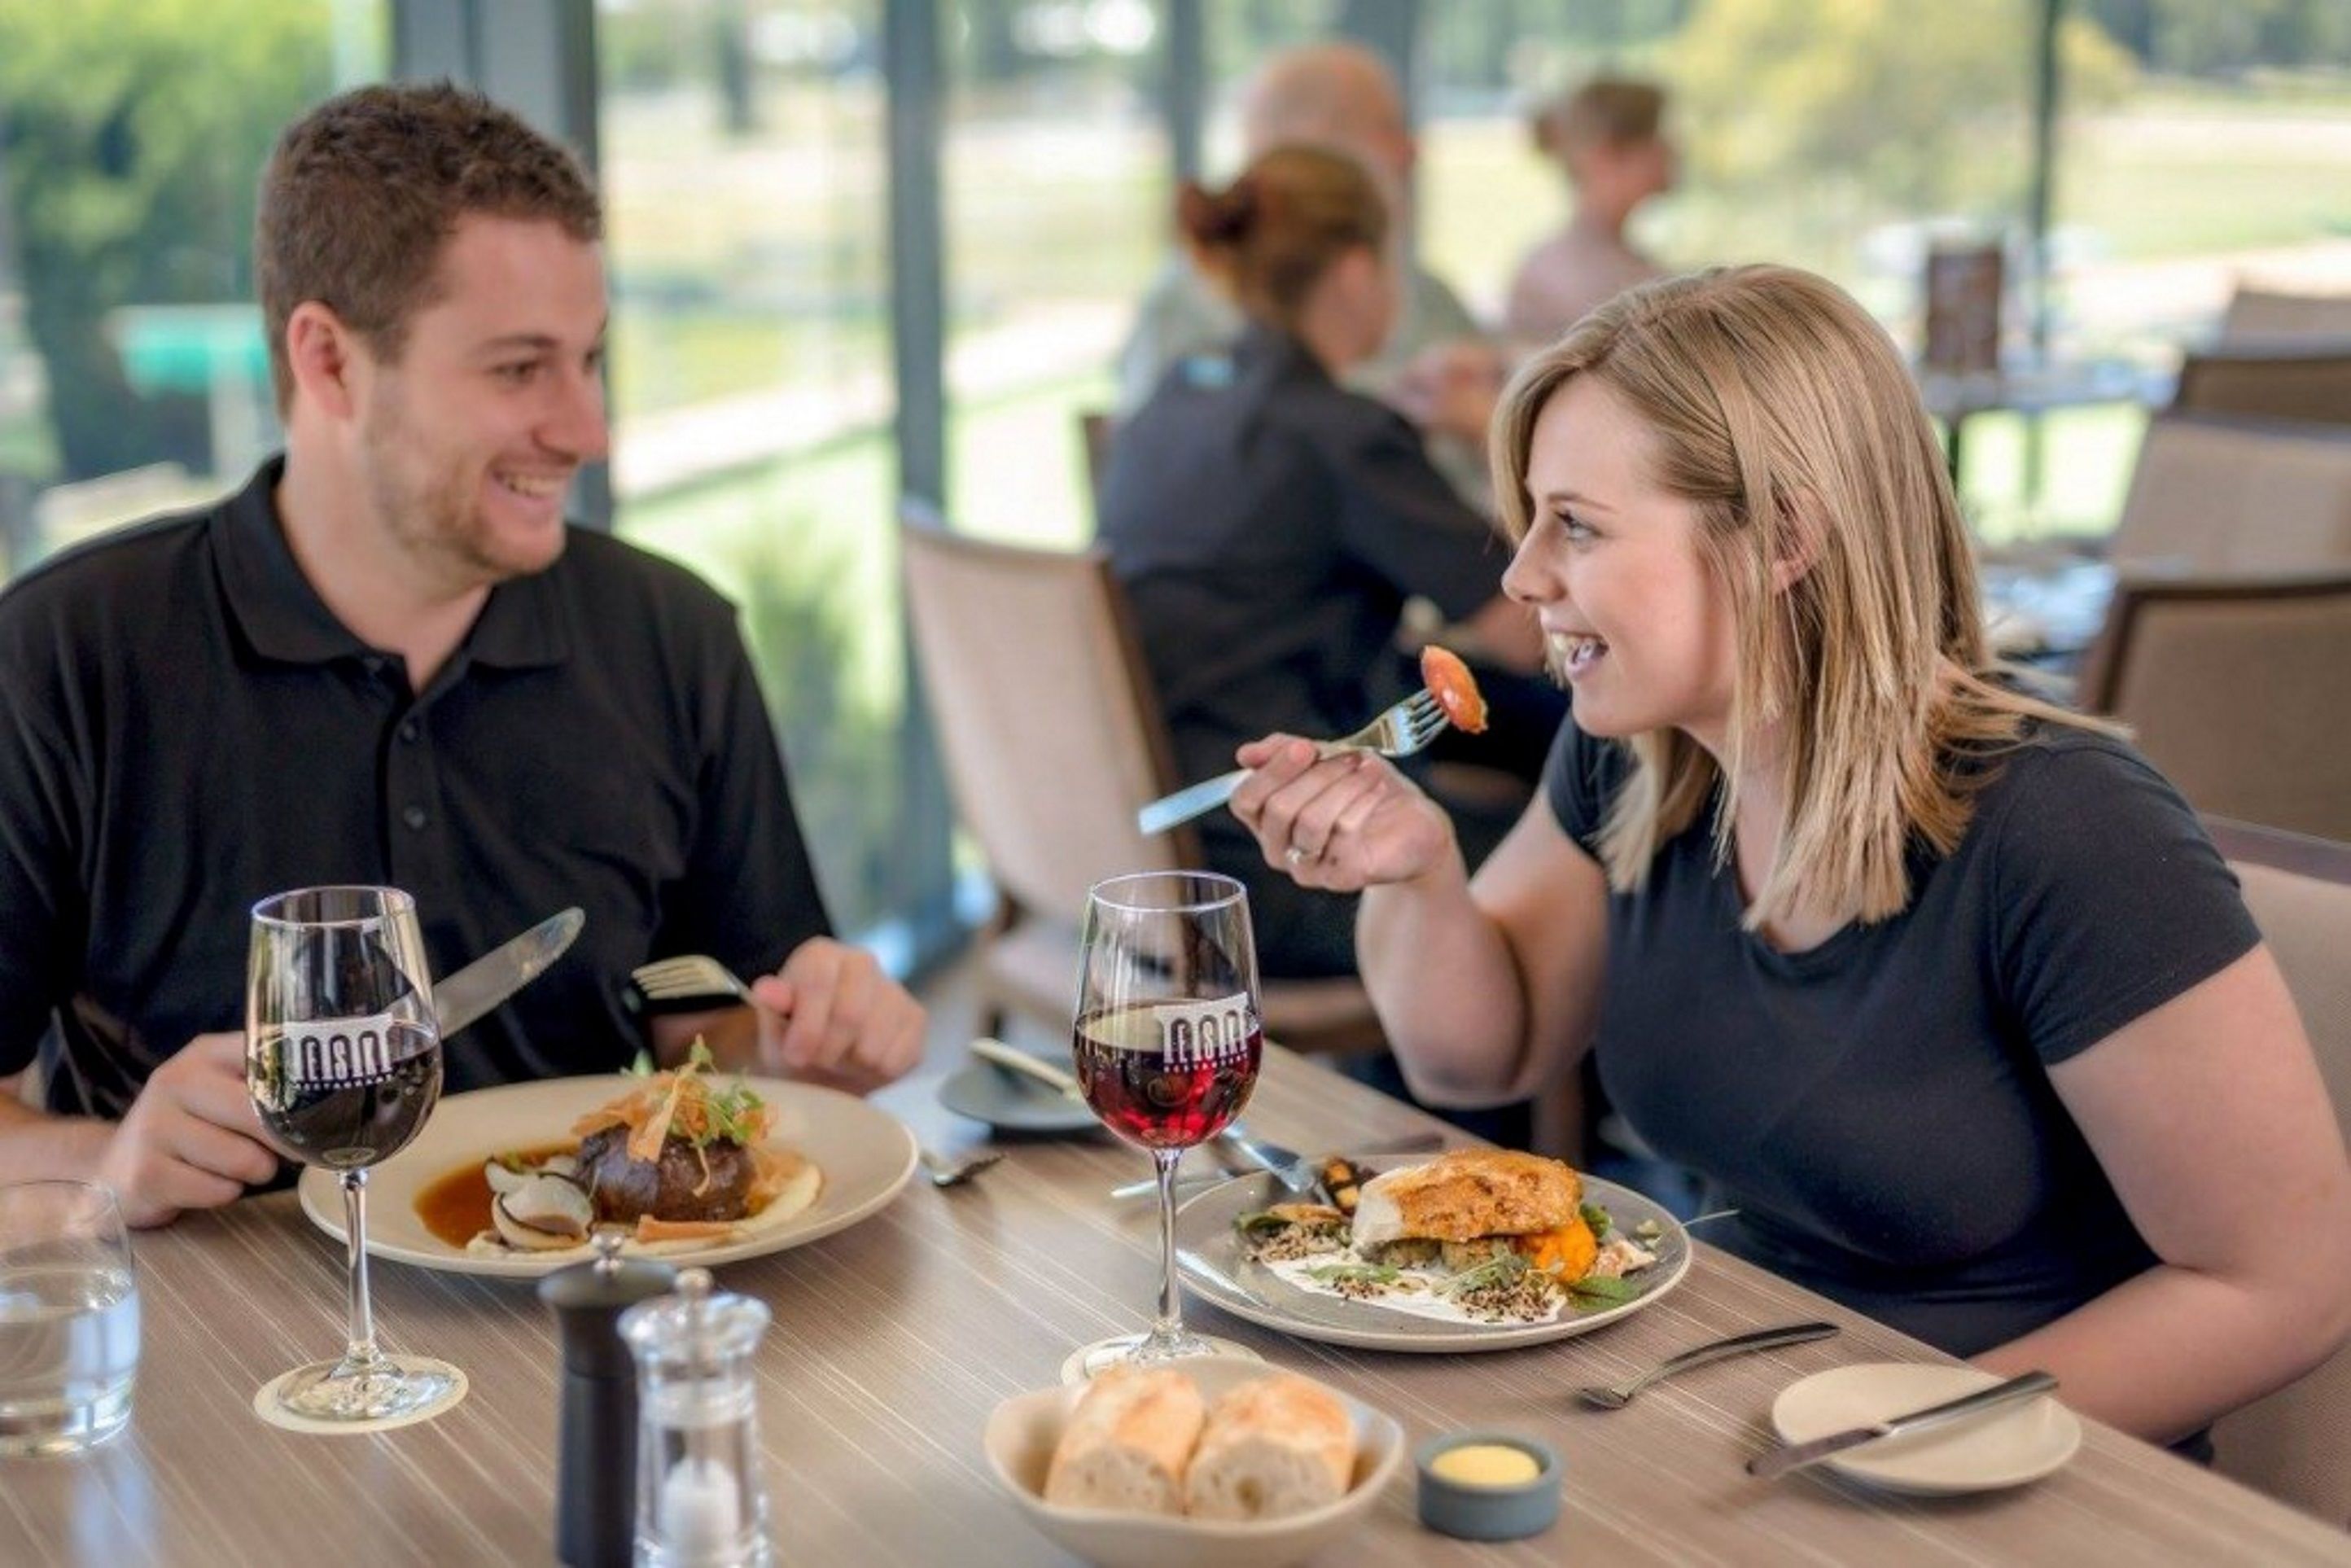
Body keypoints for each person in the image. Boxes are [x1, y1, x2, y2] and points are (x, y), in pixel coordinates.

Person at [1228, 265, 2351, 1448]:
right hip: (1734, 1393)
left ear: (1784, 538)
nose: (1520, 579)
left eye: (1577, 526)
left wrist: (1889, 1435)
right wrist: (1418, 871)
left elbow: (2286, 1284)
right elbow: (1480, 1053)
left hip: (1995, 1468)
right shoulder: (1643, 763)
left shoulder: (2071, 833)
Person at [0, 84, 925, 1229]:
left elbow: (700, 1009)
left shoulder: (671, 634)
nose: (586, 430)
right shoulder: (64, 657)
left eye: (587, 359)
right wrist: (110, 1160)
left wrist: (797, 1045)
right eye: (518, 368)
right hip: (223, 1353)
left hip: (588, 1310)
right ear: (331, 363)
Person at [1097, 144, 1543, 984]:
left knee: (1519, 731)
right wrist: (1490, 433)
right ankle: (1503, 1095)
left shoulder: (1172, 398)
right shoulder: (1339, 437)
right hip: (1275, 869)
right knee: (1574, 870)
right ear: (1351, 272)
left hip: (1163, 832)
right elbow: (1528, 627)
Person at [1112, 42, 1489, 500]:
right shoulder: (1187, 304)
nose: (1411, 151)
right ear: (1311, 143)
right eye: (1387, 127)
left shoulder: (1428, 296)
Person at [1501, 77, 1675, 348]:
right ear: (1606, 154)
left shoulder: (1623, 262)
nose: (1672, 150)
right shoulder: (1566, 275)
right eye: (1658, 136)